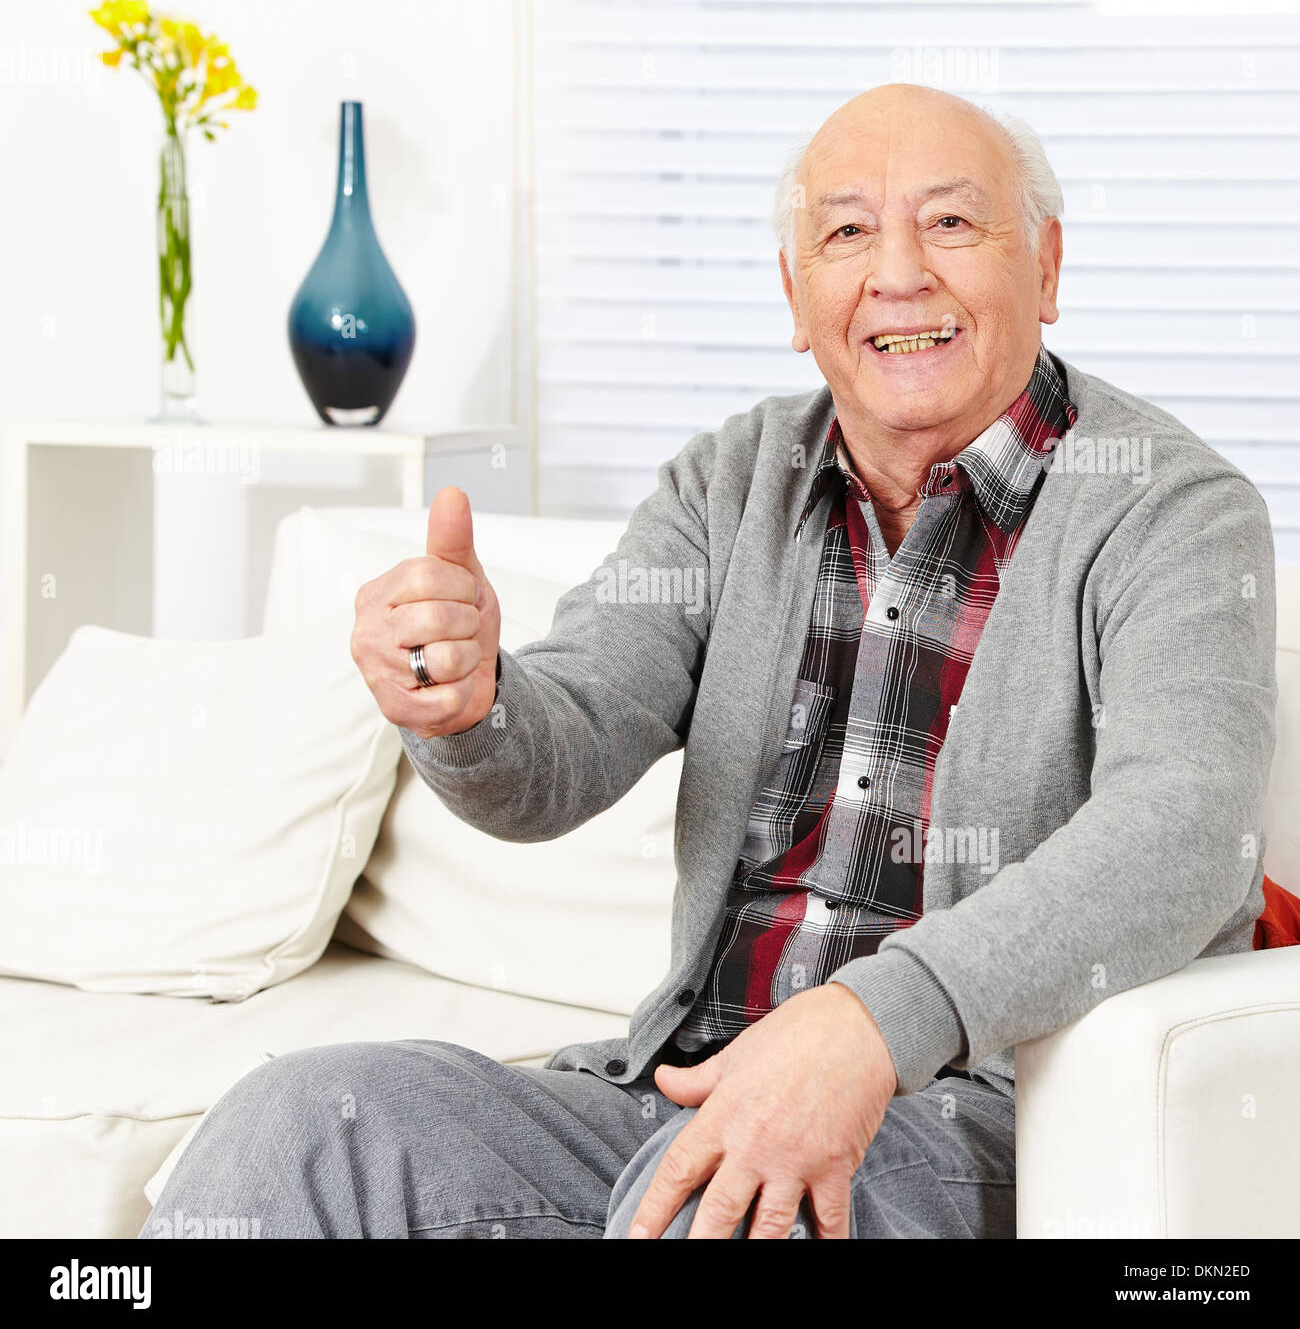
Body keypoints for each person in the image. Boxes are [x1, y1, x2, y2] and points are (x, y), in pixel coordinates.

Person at [141, 83, 1276, 1240]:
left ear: (1044, 264)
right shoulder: (729, 479)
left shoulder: (1173, 510)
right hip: (679, 1090)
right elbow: (563, 743)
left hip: (980, 1116)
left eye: (948, 223)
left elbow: (1184, 830)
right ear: (795, 295)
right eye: (844, 232)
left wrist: (873, 1020)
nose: (897, 274)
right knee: (297, 1126)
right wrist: (469, 707)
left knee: (726, 1209)